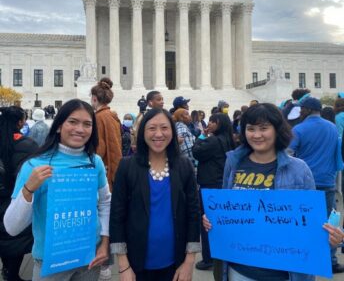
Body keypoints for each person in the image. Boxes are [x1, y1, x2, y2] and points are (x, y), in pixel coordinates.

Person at [203, 103, 343, 280]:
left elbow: (313, 222)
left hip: (283, 272)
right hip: (239, 269)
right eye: (250, 128)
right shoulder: (233, 163)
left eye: (264, 128)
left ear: (277, 130)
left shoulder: (299, 169)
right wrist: (212, 219)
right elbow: (226, 208)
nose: (257, 135)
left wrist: (332, 237)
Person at [4, 99, 111, 280]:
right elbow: (12, 227)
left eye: (87, 124)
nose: (80, 129)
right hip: (51, 262)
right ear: (59, 126)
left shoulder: (95, 162)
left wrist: (104, 243)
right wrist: (28, 189)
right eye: (73, 122)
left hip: (88, 259)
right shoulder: (34, 165)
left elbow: (105, 202)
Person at [110, 109, 200, 281]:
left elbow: (193, 214)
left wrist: (189, 262)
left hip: (175, 264)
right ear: (143, 132)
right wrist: (123, 266)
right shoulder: (128, 166)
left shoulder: (184, 165)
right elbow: (117, 215)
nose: (158, 134)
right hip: (136, 265)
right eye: (152, 128)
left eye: (164, 128)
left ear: (172, 132)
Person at [289, 97, 344, 273]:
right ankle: (331, 260)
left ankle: (306, 257)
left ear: (306, 110)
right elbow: (337, 155)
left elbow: (288, 154)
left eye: (301, 109)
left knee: (304, 222)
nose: (300, 112)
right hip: (327, 181)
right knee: (330, 223)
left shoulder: (299, 129)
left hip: (305, 184)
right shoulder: (332, 127)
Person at [192, 113, 235, 271]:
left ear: (219, 124)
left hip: (209, 183)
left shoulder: (213, 140)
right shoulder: (229, 139)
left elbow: (196, 152)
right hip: (222, 182)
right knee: (221, 220)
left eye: (212, 121)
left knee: (206, 222)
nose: (209, 123)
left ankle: (209, 258)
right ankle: (223, 254)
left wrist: (202, 136)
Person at [0, 106, 39, 281]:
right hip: (16, 199)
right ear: (21, 122)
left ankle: (7, 270)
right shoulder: (29, 145)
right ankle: (12, 273)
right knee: (14, 237)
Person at [91, 77, 122, 192]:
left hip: (104, 168)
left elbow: (100, 147)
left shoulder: (98, 117)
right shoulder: (112, 116)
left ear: (94, 99)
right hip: (115, 164)